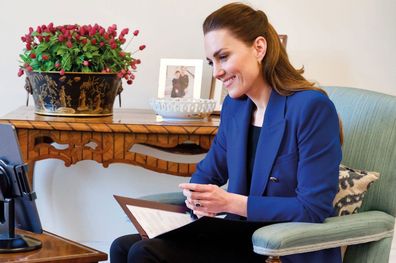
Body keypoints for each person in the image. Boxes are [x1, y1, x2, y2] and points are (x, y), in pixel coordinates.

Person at [110, 3, 342, 263]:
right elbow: (209, 172)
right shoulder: (235, 107)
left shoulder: (311, 108)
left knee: (145, 252)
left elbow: (313, 208)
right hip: (236, 237)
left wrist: (229, 203)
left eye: (223, 57)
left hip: (280, 246)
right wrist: (197, 197)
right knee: (122, 246)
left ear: (259, 48)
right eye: (211, 62)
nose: (217, 72)